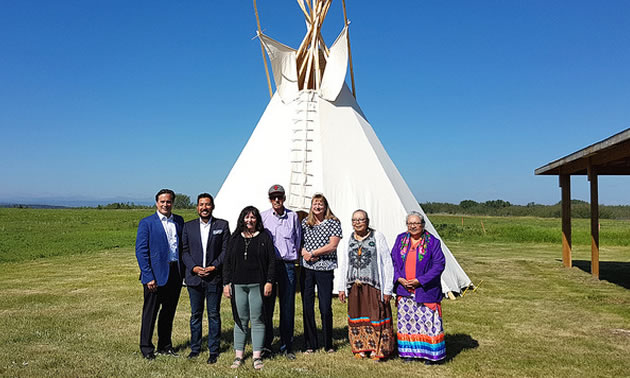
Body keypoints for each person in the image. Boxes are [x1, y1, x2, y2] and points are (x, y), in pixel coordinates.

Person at [223, 206, 276, 370]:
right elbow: (227, 262)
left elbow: (271, 261)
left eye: (252, 217)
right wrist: (226, 283)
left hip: (257, 284)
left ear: (257, 219)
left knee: (257, 319)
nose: (249, 220)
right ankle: (239, 356)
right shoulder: (235, 238)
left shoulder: (264, 237)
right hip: (238, 284)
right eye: (246, 217)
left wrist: (269, 281)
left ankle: (256, 356)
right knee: (240, 320)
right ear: (242, 219)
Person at [337, 210, 395, 361]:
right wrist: (342, 287)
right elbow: (344, 264)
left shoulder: (377, 237)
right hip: (355, 286)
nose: (357, 222)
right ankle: (360, 347)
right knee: (357, 315)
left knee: (377, 315)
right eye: (354, 220)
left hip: (374, 284)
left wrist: (388, 288)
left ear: (367, 221)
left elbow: (387, 262)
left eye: (361, 219)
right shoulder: (347, 240)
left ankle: (378, 348)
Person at [135, 189, 185, 360]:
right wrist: (148, 276)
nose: (165, 204)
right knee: (150, 313)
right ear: (156, 203)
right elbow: (141, 252)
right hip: (154, 277)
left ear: (173, 203)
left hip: (174, 274)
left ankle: (165, 346)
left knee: (168, 313)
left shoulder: (179, 221)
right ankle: (147, 348)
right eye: (162, 201)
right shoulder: (147, 223)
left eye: (168, 201)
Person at [391, 211, 446, 364]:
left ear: (422, 225)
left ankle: (430, 354)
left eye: (416, 223)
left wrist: (420, 281)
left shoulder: (433, 242)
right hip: (405, 289)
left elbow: (438, 265)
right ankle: (409, 353)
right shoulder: (401, 239)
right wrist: (399, 278)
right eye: (410, 223)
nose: (413, 226)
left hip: (425, 290)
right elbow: (393, 261)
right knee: (408, 322)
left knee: (427, 322)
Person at [181, 193, 230, 364]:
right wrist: (194, 268)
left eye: (207, 204)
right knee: (196, 315)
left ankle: (213, 350)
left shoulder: (222, 225)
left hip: (213, 277)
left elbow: (226, 251)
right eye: (201, 205)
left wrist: (214, 266)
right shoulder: (188, 227)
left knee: (214, 314)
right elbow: (184, 251)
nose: (204, 208)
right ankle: (195, 348)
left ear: (212, 206)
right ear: (197, 207)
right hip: (194, 278)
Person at [261, 185, 302, 360]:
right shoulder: (263, 217)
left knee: (287, 306)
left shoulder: (293, 217)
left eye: (279, 197)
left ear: (284, 198)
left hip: (287, 265)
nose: (276, 200)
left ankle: (287, 345)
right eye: (273, 197)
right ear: (269, 199)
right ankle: (267, 345)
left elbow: (298, 239)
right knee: (266, 307)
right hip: (269, 266)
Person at [300, 193, 342, 353]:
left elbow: (333, 245)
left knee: (325, 306)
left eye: (320, 204)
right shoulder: (305, 222)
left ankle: (328, 342)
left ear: (326, 206)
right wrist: (304, 251)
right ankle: (310, 342)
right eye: (315, 204)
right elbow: (299, 241)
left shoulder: (333, 222)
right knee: (307, 306)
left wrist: (314, 253)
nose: (317, 207)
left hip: (325, 268)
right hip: (308, 268)